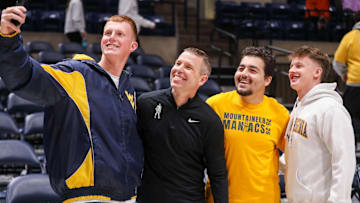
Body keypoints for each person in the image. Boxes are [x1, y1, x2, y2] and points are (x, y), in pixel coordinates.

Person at [0, 6, 143, 203]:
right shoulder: (76, 74)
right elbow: (27, 76)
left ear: (133, 46)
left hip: (128, 197)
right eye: (107, 33)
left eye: (119, 34)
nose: (111, 37)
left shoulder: (129, 91)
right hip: (86, 197)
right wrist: (8, 39)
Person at [136, 47, 228, 203]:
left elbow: (217, 174)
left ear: (202, 79)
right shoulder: (146, 103)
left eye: (188, 67)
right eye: (178, 63)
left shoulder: (210, 121)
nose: (179, 69)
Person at [205, 46, 290, 203]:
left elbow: (295, 155)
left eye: (252, 70)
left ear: (267, 80)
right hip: (220, 199)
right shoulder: (215, 105)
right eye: (241, 68)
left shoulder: (280, 114)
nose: (244, 74)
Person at [285, 45, 356, 203]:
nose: (292, 71)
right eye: (291, 66)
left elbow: (344, 161)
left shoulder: (331, 109)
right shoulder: (300, 106)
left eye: (299, 66)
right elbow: (297, 154)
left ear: (317, 72)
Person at [333, 11, 360, 143]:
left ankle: (354, 148)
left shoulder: (350, 37)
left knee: (350, 115)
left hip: (355, 82)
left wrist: (343, 74)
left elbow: (338, 61)